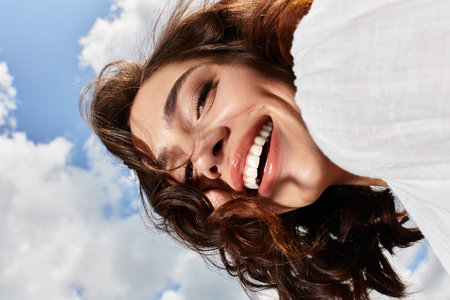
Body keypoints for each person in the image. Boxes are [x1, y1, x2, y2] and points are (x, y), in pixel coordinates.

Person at [80, 0, 449, 299]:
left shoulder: (331, 60)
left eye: (201, 99)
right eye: (189, 175)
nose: (206, 158)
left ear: (248, 51)